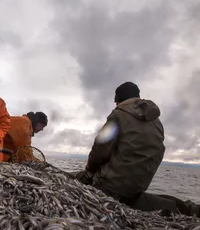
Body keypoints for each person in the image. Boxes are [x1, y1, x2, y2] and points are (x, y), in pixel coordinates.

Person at [75, 82, 200, 217]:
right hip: (138, 187)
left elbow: (101, 148)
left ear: (118, 100)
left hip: (111, 185)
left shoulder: (119, 114)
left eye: (116, 102)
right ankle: (189, 209)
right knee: (140, 199)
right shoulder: (156, 121)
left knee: (75, 178)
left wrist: (89, 169)